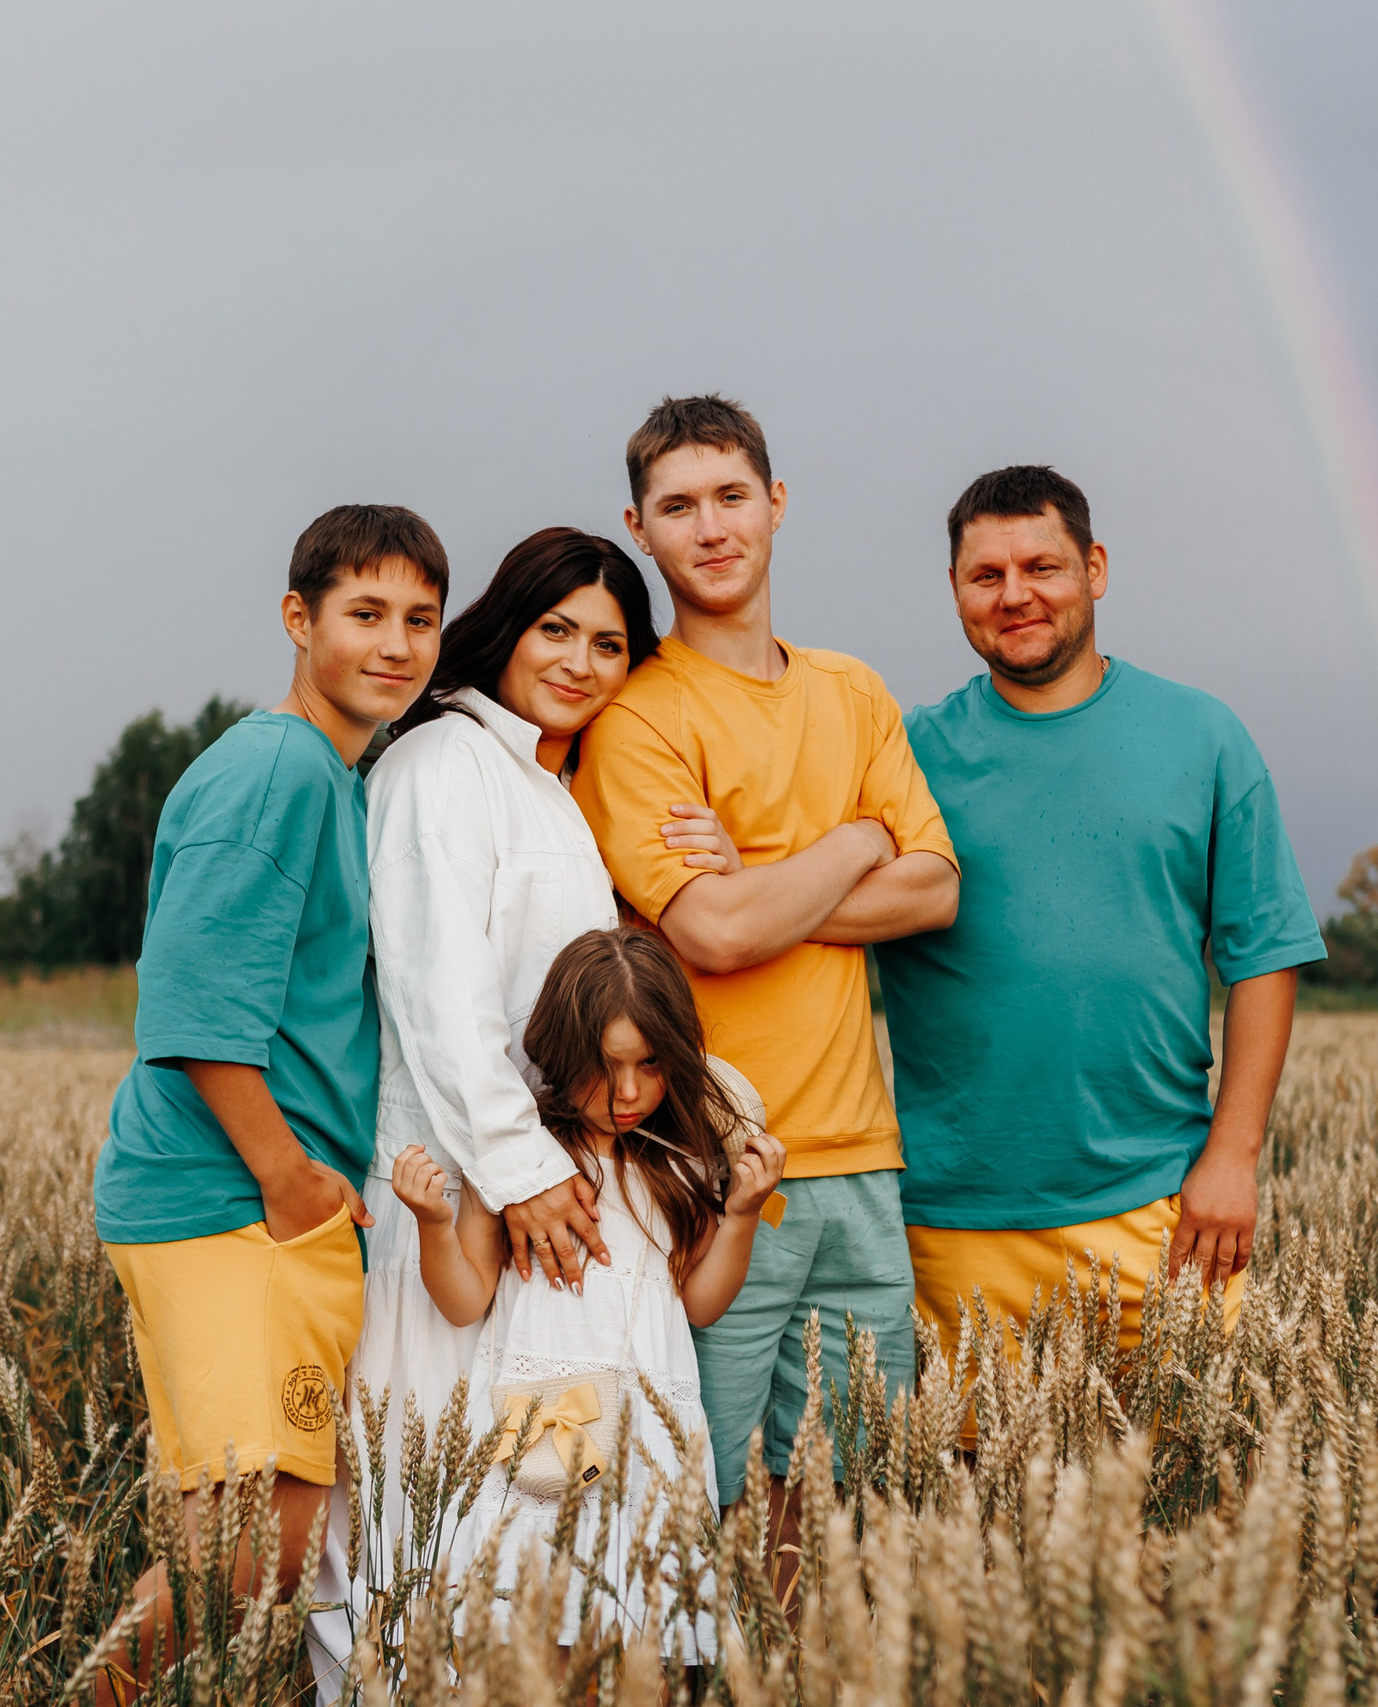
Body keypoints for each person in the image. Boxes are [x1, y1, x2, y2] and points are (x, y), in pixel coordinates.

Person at [569, 395, 958, 1537]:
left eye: (731, 496)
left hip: (860, 1171)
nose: (711, 527)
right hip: (704, 1170)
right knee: (708, 1496)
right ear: (638, 527)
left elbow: (936, 892)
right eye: (678, 506)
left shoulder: (851, 690)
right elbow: (713, 936)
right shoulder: (636, 718)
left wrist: (765, 883)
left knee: (846, 1497)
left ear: (776, 505)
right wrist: (851, 842)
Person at [87, 505, 446, 1706]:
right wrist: (288, 1180)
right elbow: (190, 1009)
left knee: (266, 1532)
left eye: (418, 620)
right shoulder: (281, 767)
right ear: (298, 620)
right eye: (364, 615)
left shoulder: (332, 773)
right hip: (228, 1201)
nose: (394, 645)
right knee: (251, 1544)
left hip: (252, 1209)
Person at [874, 465, 1324, 1383]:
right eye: (985, 575)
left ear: (1096, 568)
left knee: (1177, 1503)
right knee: (972, 1511)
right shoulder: (903, 750)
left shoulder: (1203, 736)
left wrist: (1233, 1157)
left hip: (1163, 1209)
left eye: (1042, 565)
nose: (1015, 595)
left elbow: (1264, 957)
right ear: (956, 591)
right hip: (954, 1212)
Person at [351, 526, 713, 1602]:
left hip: (530, 1197)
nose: (577, 661)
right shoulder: (439, 762)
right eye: (556, 629)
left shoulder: (548, 786)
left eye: (608, 644)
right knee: (419, 1522)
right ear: (507, 629)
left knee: (514, 1535)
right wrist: (523, 1172)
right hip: (453, 1185)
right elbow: (441, 993)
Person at [389, 927, 787, 1660]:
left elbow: (699, 1303)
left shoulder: (682, 1164)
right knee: (547, 1631)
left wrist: (742, 1214)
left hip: (653, 1432)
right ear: (562, 1053)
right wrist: (433, 1224)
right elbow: (463, 1299)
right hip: (556, 1406)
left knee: (649, 1642)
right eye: (606, 1068)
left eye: (651, 1063)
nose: (629, 1091)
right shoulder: (519, 1163)